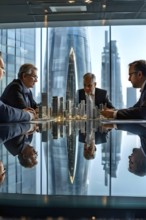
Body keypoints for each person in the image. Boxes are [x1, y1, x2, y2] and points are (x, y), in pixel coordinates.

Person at [0, 52, 37, 122]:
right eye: (2, 68)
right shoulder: (15, 87)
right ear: (24, 76)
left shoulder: (28, 91)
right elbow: (6, 113)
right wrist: (29, 114)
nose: (36, 80)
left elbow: (34, 108)